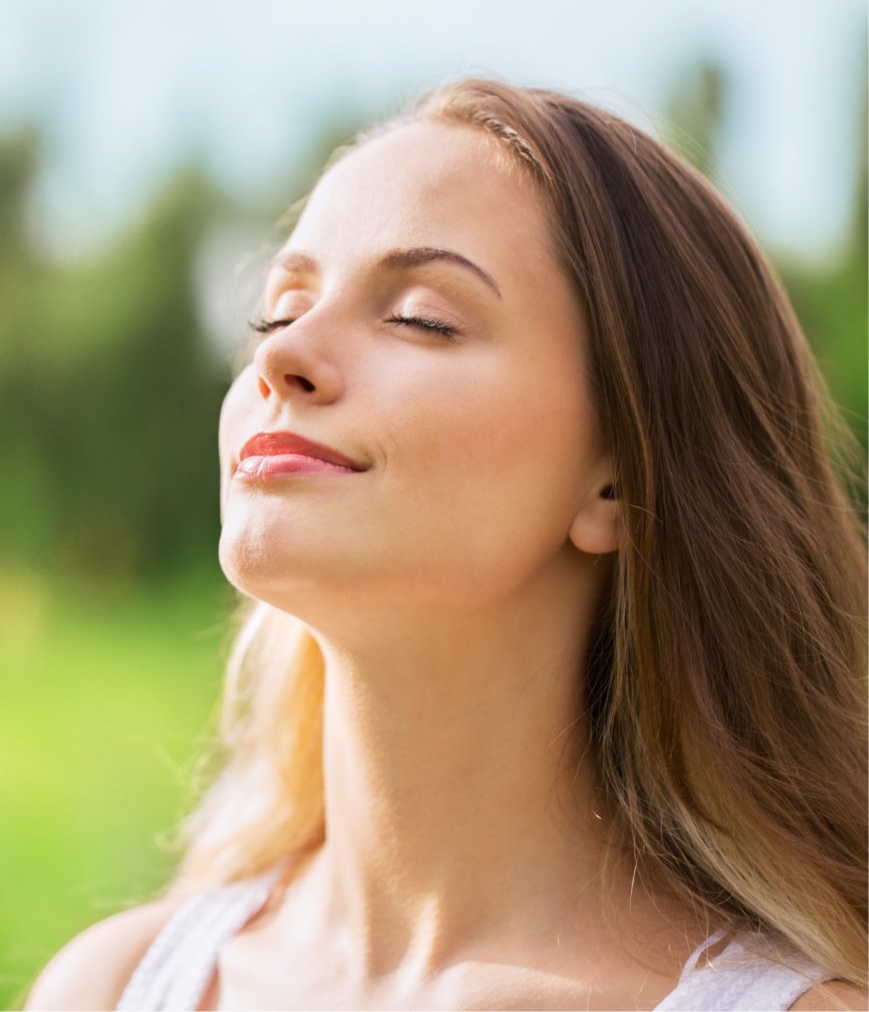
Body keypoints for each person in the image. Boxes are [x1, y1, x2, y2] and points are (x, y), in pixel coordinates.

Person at [26, 77, 867, 1011]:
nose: (278, 356)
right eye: (281, 307)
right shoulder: (109, 988)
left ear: (619, 478)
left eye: (420, 317)